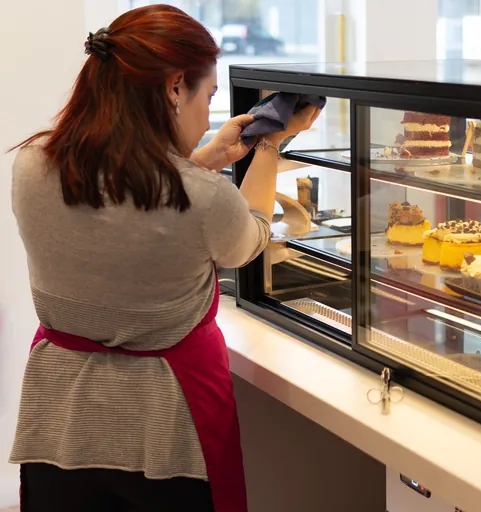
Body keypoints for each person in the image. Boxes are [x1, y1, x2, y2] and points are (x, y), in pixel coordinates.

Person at [9, 5, 319, 511]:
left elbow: (132, 202)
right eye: (209, 97)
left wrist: (207, 160)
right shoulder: (202, 198)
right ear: (175, 88)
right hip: (164, 429)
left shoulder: (33, 165)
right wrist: (269, 145)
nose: (206, 118)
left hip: (60, 421)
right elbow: (250, 237)